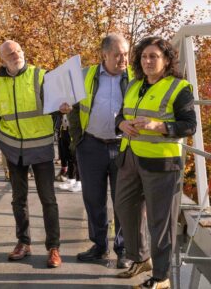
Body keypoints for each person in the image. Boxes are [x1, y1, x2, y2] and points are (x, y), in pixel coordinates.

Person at [115, 36, 196, 288]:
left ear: (166, 59)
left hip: (161, 164)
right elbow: (121, 114)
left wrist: (158, 126)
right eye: (144, 56)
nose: (148, 61)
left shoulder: (178, 87)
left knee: (160, 222)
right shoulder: (133, 84)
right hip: (130, 158)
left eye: (154, 56)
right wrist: (122, 124)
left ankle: (161, 277)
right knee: (124, 208)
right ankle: (140, 258)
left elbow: (189, 126)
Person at [0, 40, 71, 268]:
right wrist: (0, 137)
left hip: (41, 147)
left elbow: (56, 107)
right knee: (18, 199)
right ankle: (23, 242)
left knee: (48, 199)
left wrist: (60, 114)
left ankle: (53, 247)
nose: (16, 56)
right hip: (13, 149)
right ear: (2, 60)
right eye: (10, 54)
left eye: (18, 51)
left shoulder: (41, 76)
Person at [68, 33, 132, 269]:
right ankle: (99, 246)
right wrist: (78, 141)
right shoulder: (86, 75)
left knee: (123, 201)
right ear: (104, 55)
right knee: (93, 199)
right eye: (117, 55)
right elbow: (73, 109)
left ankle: (123, 249)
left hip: (123, 146)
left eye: (126, 54)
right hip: (91, 146)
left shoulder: (135, 78)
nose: (123, 59)